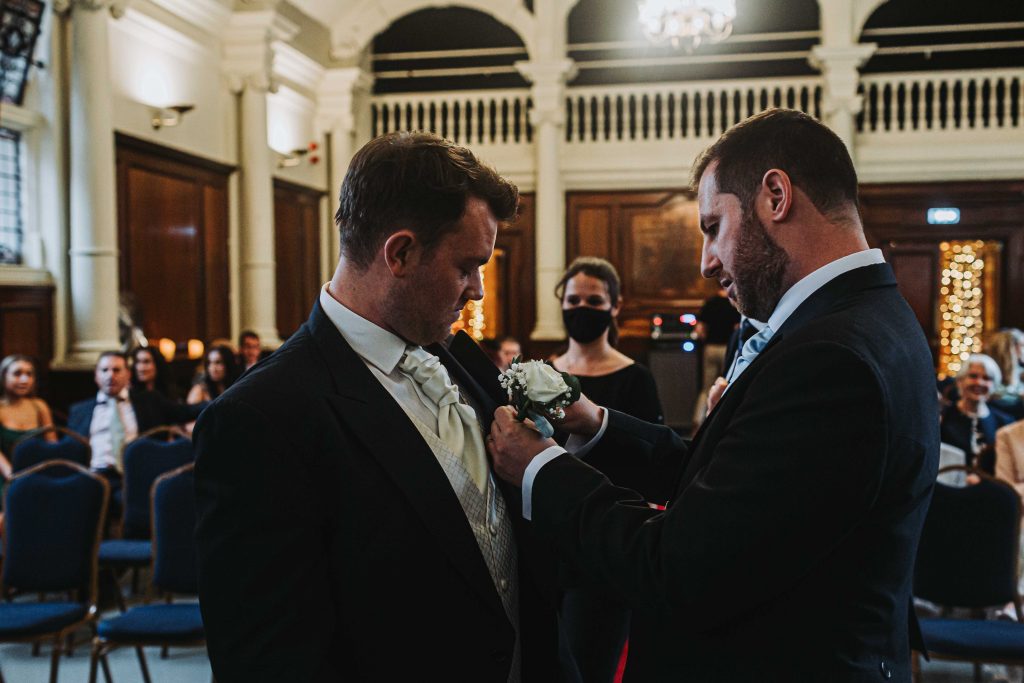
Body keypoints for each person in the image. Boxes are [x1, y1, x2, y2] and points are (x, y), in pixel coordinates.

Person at [487, 109, 939, 681]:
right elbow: (732, 490)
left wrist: (540, 469)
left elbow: (676, 568)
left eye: (712, 227)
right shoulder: (872, 318)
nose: (706, 263)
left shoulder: (829, 358)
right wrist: (598, 422)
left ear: (776, 195)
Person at [193, 132, 565, 682]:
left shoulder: (457, 353)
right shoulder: (260, 418)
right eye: (467, 266)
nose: (478, 291)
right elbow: (269, 660)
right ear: (401, 253)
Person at [551, 256, 663, 681]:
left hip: (602, 545)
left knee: (588, 664)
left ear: (614, 307)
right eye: (574, 299)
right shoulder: (541, 373)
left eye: (594, 300)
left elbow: (645, 463)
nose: (581, 308)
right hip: (546, 539)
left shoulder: (635, 379)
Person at [68, 352, 206, 502]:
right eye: (104, 370)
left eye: (116, 370)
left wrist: (221, 402)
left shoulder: (149, 400)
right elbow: (72, 450)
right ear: (96, 375)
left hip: (136, 476)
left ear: (128, 374)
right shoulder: (79, 410)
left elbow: (185, 412)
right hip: (93, 476)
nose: (110, 375)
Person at [940, 353, 1014, 471]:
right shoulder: (943, 418)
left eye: (986, 378)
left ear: (994, 385)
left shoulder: (1005, 423)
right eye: (973, 376)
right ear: (960, 381)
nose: (979, 382)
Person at [0, 355, 56, 479]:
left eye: (29, 374)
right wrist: (13, 477)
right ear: (4, 377)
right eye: (17, 374)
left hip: (38, 472)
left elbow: (52, 446)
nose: (24, 380)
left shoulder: (40, 406)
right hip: (6, 474)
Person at [693, 286, 739, 427]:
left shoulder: (710, 302)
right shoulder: (734, 302)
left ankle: (698, 423)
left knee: (706, 388)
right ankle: (720, 424)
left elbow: (700, 330)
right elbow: (738, 329)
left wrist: (707, 339)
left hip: (710, 348)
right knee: (726, 385)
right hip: (727, 349)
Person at [985, 328, 1024, 419]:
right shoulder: (988, 372)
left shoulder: (1021, 373)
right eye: (1022, 345)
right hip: (998, 418)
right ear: (1011, 348)